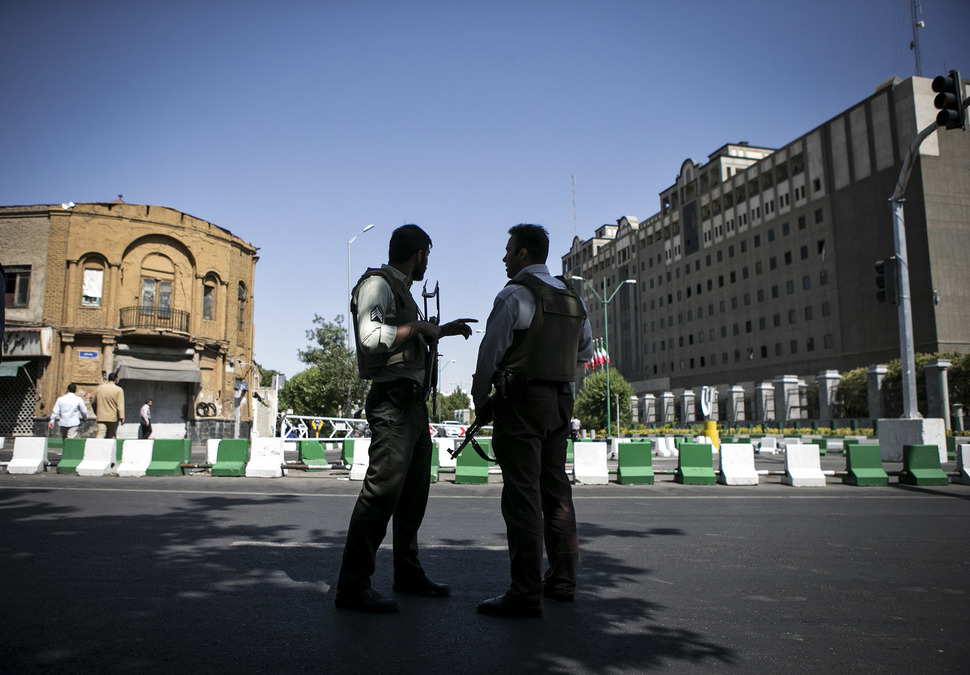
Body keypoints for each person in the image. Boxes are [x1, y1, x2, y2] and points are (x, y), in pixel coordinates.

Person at [335, 224, 476, 613]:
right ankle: (353, 586)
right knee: (380, 495)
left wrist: (438, 332)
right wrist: (417, 327)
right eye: (426, 255)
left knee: (413, 496)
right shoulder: (378, 284)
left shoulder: (402, 292)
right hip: (393, 403)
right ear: (418, 255)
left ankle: (407, 573)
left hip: (411, 405)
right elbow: (369, 335)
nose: (427, 262)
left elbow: (406, 338)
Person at [472, 224, 593, 618]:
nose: (504, 258)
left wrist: (481, 399)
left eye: (508, 250)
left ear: (524, 253)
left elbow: (489, 356)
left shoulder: (514, 296)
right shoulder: (573, 299)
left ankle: (525, 593)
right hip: (561, 403)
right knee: (557, 493)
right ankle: (562, 582)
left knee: (523, 498)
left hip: (522, 405)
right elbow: (584, 352)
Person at [92, 372, 125, 439]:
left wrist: (97, 412)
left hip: (101, 416)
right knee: (112, 436)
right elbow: (120, 405)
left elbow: (93, 402)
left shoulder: (99, 389)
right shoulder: (118, 390)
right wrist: (122, 417)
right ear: (116, 379)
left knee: (100, 434)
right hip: (113, 417)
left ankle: (96, 448)